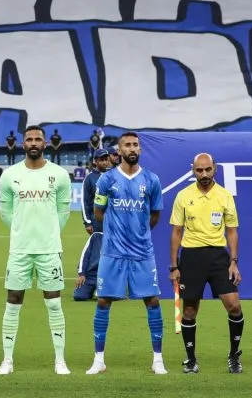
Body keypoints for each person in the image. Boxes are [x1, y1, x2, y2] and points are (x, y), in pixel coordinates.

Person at [86, 132, 167, 375]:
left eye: (135, 145)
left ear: (140, 150)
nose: (132, 148)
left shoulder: (152, 180)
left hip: (142, 251)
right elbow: (98, 212)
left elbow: (154, 215)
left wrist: (137, 232)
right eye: (127, 145)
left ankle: (158, 360)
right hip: (113, 252)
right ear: (119, 151)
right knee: (103, 301)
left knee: (152, 300)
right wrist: (116, 231)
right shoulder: (106, 180)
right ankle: (99, 360)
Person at [0, 124, 72, 376]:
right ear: (22, 144)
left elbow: (63, 212)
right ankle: (7, 360)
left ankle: (60, 360)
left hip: (49, 250)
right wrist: (22, 231)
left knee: (54, 304)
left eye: (38, 139)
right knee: (13, 303)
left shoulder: (59, 174)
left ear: (45, 143)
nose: (34, 143)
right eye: (29, 139)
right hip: (19, 250)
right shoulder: (9, 175)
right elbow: (6, 213)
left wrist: (48, 233)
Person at [169, 153, 244, 374]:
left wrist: (233, 262)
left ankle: (234, 356)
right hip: (191, 257)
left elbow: (232, 231)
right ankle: (191, 359)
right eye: (199, 170)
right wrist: (174, 266)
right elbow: (176, 232)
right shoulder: (183, 196)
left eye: (207, 170)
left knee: (235, 307)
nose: (203, 174)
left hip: (219, 258)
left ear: (215, 169)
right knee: (189, 311)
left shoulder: (225, 196)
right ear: (193, 170)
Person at [73, 149, 111, 302]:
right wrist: (87, 222)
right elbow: (85, 201)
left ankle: (107, 283)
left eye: (106, 159)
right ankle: (92, 280)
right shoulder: (90, 178)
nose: (104, 162)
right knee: (96, 247)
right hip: (96, 222)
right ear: (95, 161)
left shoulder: (113, 176)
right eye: (101, 159)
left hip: (114, 223)